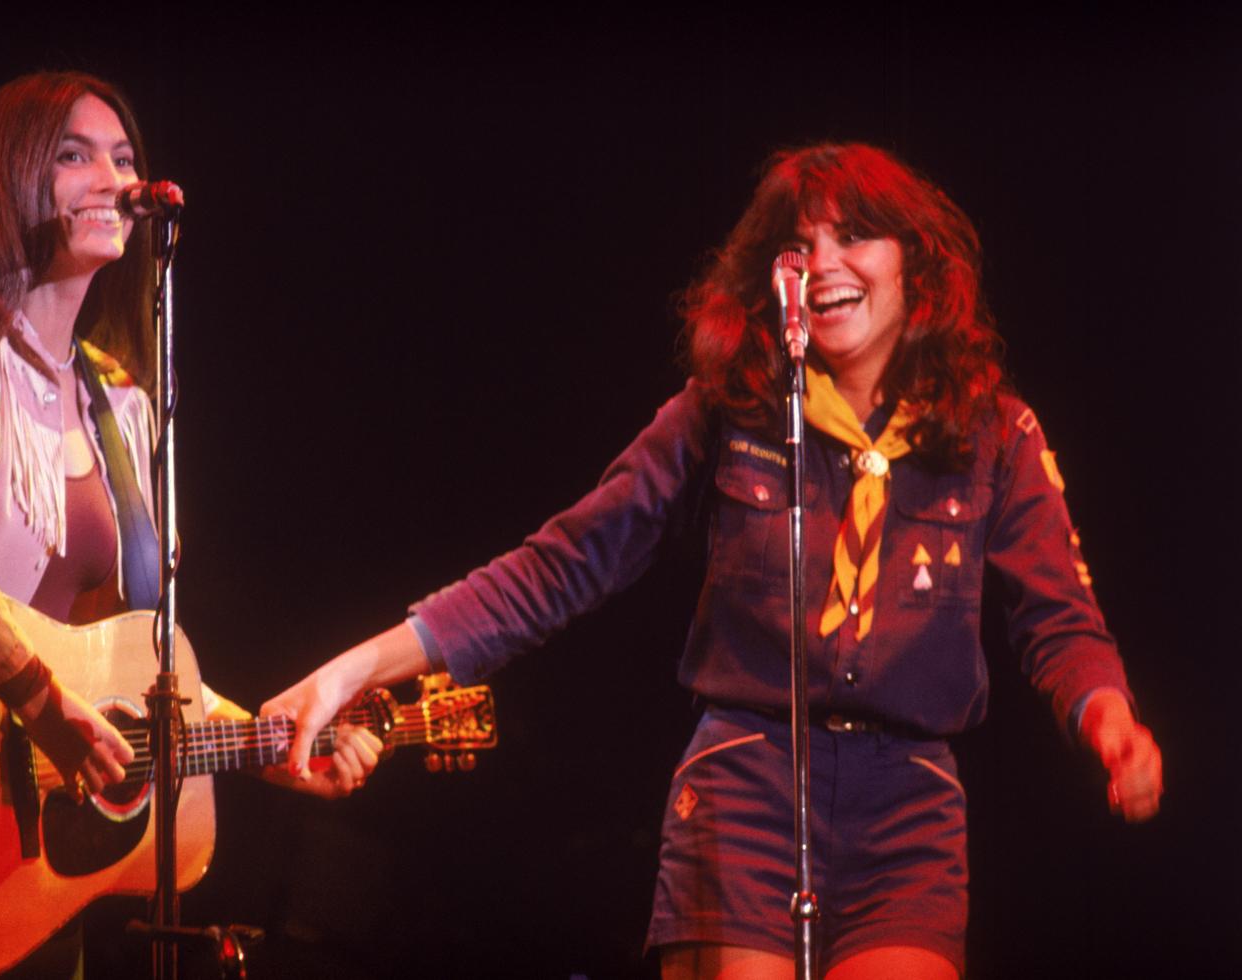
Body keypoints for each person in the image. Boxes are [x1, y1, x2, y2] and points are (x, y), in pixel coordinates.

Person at [262, 143, 1164, 979]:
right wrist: (355, 668)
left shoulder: (994, 433)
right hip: (746, 779)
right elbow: (560, 565)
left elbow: (1059, 617)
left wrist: (1109, 719)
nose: (825, 265)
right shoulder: (724, 411)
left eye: (855, 236)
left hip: (909, 805)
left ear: (915, 262)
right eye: (799, 245)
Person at [0, 71, 380, 977]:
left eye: (126, 158)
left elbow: (122, 665)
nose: (114, 178)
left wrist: (265, 742)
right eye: (74, 155)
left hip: (32, 874)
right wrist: (37, 700)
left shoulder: (118, 402)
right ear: (6, 179)